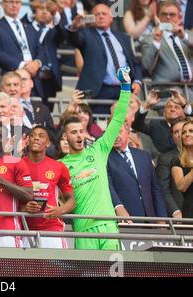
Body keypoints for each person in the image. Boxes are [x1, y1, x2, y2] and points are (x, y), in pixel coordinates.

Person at [60, 66, 132, 250]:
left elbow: (117, 119)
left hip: (109, 227)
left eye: (81, 132)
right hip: (83, 231)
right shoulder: (60, 165)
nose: (78, 135)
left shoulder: (98, 150)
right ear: (65, 137)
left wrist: (125, 87)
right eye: (73, 132)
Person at [65, 4, 142, 114]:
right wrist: (74, 27)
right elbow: (74, 39)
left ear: (111, 17)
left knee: (124, 124)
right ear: (92, 18)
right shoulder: (86, 34)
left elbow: (135, 63)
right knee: (100, 128)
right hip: (100, 90)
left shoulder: (123, 37)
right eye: (97, 14)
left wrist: (137, 82)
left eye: (104, 14)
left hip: (125, 89)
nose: (101, 16)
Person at [22, 125, 75, 248]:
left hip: (52, 229)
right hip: (24, 229)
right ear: (27, 141)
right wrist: (24, 208)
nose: (36, 138)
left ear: (48, 143)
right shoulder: (18, 165)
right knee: (25, 268)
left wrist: (59, 210)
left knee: (54, 267)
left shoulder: (59, 167)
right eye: (32, 136)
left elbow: (71, 200)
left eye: (41, 136)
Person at [0, 0, 47, 104]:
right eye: (10, 2)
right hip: (11, 80)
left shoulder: (30, 27)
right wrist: (23, 65)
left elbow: (41, 50)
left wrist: (37, 63)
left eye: (17, 2)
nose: (14, 5)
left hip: (33, 81)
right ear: (3, 4)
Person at [107, 122, 167, 220]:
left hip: (150, 219)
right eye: (112, 132)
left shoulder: (144, 155)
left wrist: (162, 218)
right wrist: (118, 207)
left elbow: (155, 189)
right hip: (126, 219)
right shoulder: (106, 158)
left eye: (119, 132)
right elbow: (109, 186)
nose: (116, 136)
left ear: (127, 132)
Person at [141, 1, 193, 90]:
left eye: (172, 14)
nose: (168, 17)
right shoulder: (150, 39)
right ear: (159, 17)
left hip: (190, 89)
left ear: (179, 17)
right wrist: (156, 42)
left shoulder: (188, 35)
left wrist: (184, 37)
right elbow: (146, 67)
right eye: (164, 14)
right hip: (166, 91)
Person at [27, 0, 64, 103]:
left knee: (47, 111)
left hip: (49, 78)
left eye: (48, 10)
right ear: (34, 11)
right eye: (41, 8)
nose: (44, 12)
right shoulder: (25, 27)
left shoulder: (54, 31)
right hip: (32, 76)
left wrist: (56, 12)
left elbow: (62, 34)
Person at [132, 88, 190, 154]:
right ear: (164, 112)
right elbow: (136, 125)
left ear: (183, 111)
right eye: (169, 107)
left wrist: (184, 105)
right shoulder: (155, 125)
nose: (172, 109)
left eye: (177, 107)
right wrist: (146, 105)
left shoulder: (189, 125)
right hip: (163, 162)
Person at [156, 118, 185, 218]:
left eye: (183, 130)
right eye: (176, 132)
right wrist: (175, 211)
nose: (180, 134)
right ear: (172, 137)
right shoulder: (166, 158)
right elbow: (163, 189)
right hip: (181, 216)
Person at [171, 120, 193, 218]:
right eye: (184, 132)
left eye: (191, 131)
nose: (187, 134)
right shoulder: (177, 161)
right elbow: (181, 186)